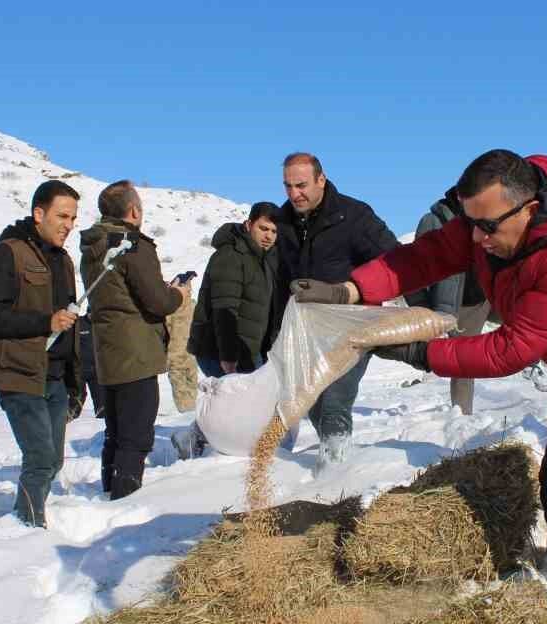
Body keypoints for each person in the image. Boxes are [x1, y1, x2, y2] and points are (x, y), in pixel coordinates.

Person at [294, 150, 547, 606]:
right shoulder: (491, 222)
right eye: (470, 224)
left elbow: (510, 349)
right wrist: (351, 289)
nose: (476, 238)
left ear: (529, 209)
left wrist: (418, 353)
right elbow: (425, 256)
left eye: (486, 227)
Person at [0, 179, 85, 528]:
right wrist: (45, 322)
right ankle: (28, 525)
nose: (68, 225)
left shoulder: (63, 260)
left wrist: (76, 377)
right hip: (18, 372)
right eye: (62, 216)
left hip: (55, 376)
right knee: (40, 458)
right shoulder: (7, 253)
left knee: (54, 462)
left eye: (73, 218)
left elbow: (66, 319)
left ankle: (27, 518)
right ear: (39, 213)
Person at [274, 152, 398, 464]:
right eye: (288, 186)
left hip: (353, 325)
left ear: (321, 180)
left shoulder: (353, 216)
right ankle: (334, 455)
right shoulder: (283, 221)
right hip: (308, 329)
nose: (294, 194)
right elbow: (280, 279)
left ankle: (334, 472)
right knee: (313, 401)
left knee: (335, 400)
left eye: (301, 185)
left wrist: (354, 291)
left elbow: (395, 261)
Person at [79, 180, 187, 499]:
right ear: (134, 210)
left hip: (107, 349)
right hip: (136, 352)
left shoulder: (94, 246)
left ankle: (108, 492)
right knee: (136, 436)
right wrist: (178, 294)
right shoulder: (132, 245)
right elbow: (158, 302)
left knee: (115, 432)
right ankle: (123, 499)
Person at [171, 202, 280, 459]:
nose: (268, 236)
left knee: (240, 405)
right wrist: (228, 355)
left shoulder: (265, 259)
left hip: (248, 347)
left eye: (274, 231)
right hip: (220, 348)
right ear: (248, 225)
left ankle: (195, 440)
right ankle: (195, 442)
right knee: (236, 406)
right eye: (263, 228)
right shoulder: (230, 256)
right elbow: (224, 308)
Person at [404, 190, 491, 414]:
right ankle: (460, 416)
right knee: (455, 359)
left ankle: (462, 415)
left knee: (466, 361)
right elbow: (412, 270)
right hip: (445, 306)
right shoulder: (432, 221)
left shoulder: (486, 216)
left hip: (478, 301)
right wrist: (422, 307)